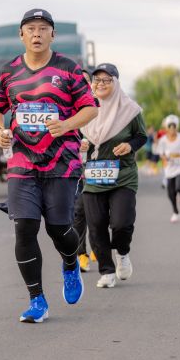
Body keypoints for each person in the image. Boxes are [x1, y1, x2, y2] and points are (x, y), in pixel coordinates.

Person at [0, 8, 98, 322]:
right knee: (24, 227)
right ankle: (37, 300)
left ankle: (70, 263)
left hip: (62, 162)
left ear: (52, 34)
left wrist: (67, 124)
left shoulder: (68, 69)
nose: (37, 34)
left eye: (43, 28)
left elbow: (90, 109)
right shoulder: (7, 72)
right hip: (22, 162)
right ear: (21, 35)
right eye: (31, 28)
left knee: (59, 228)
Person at [81, 63, 147, 288]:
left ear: (116, 83)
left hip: (123, 177)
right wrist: (80, 144)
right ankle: (107, 271)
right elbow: (71, 134)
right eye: (97, 80)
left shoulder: (130, 110)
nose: (100, 84)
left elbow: (141, 136)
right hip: (93, 178)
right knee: (96, 225)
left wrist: (129, 146)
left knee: (121, 223)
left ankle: (122, 252)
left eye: (106, 80)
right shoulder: (83, 108)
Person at [73, 68, 97, 273]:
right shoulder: (66, 106)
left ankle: (99, 244)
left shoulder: (100, 106)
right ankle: (81, 253)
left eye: (86, 81)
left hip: (99, 166)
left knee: (98, 210)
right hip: (75, 167)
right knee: (79, 210)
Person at [157, 114, 180, 223]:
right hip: (170, 169)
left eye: (174, 126)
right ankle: (175, 212)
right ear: (166, 128)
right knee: (170, 193)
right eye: (170, 126)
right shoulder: (163, 140)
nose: (172, 129)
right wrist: (166, 158)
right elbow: (161, 153)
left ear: (177, 127)